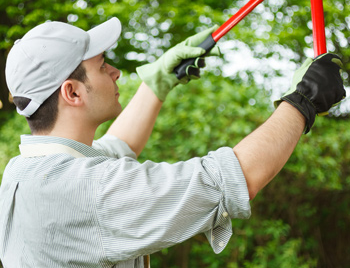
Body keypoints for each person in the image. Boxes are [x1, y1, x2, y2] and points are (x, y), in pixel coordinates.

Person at [0, 17, 345, 268]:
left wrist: (159, 81)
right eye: (103, 66)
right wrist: (304, 100)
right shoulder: (85, 190)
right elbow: (229, 180)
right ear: (72, 92)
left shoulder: (27, 172)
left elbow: (118, 146)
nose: (116, 72)